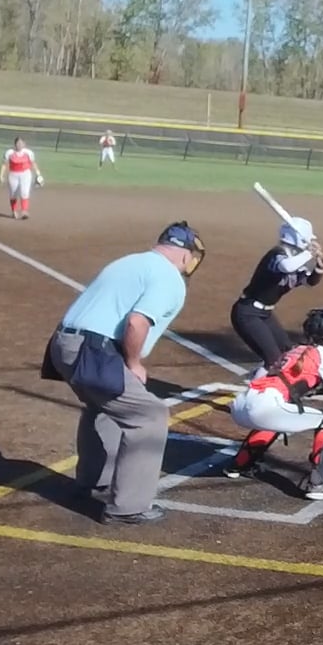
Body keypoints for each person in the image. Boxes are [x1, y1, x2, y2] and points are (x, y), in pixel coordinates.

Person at [42, 222, 206, 526]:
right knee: (149, 416)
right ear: (186, 255)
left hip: (63, 344)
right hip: (92, 351)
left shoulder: (130, 261)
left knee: (102, 406)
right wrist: (134, 363)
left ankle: (95, 481)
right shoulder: (169, 277)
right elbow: (136, 322)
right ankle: (128, 508)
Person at [224, 309, 323, 499]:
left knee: (277, 416)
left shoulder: (293, 350)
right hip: (264, 406)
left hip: (242, 404)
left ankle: (240, 464)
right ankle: (319, 484)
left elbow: (264, 375)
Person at [231, 216, 323, 372]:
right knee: (274, 361)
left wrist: (319, 267)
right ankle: (257, 386)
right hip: (247, 313)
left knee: (288, 353)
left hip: (265, 314)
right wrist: (309, 254)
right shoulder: (276, 255)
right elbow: (286, 267)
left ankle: (264, 381)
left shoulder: (295, 261)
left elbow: (310, 282)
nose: (310, 243)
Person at [0, 137, 43, 220]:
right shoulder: (9, 152)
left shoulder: (28, 153)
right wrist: (1, 175)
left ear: (24, 144)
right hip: (13, 175)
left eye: (21, 143)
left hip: (25, 174)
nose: (19, 145)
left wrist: (38, 174)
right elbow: (4, 164)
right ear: (14, 144)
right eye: (18, 143)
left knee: (24, 192)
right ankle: (14, 211)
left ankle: (24, 211)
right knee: (13, 194)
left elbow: (33, 163)